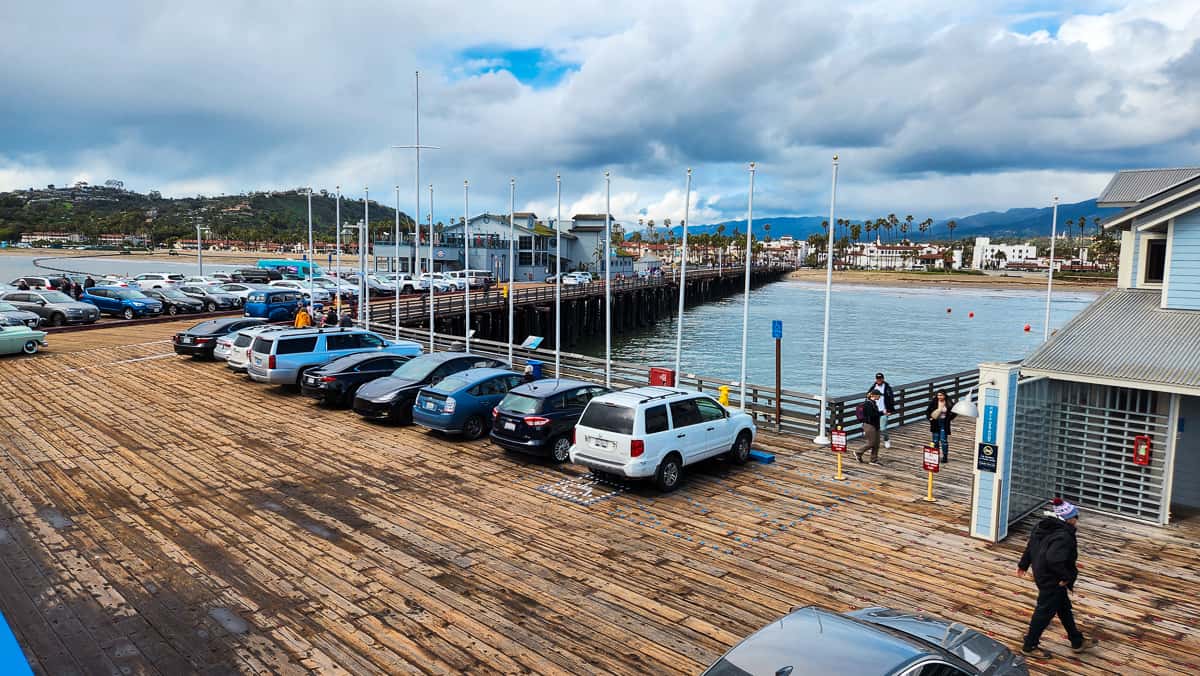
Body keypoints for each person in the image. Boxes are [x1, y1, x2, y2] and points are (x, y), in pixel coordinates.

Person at [1017, 498, 1099, 659]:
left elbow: (1031, 546)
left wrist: (1023, 564)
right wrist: (1066, 577)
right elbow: (1054, 559)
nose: (1077, 520)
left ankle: (1077, 641)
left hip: (1041, 573)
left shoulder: (1042, 526)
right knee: (1043, 613)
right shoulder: (1064, 536)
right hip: (1052, 580)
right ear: (1069, 518)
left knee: (1063, 608)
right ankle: (1029, 646)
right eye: (1076, 516)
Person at [925, 390, 956, 463]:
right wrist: (930, 418)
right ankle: (935, 457)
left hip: (944, 423)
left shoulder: (949, 402)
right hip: (935, 422)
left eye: (941, 395)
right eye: (938, 395)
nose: (939, 397)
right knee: (935, 441)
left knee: (943, 440)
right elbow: (927, 411)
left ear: (944, 395)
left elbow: (954, 412)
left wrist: (949, 418)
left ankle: (945, 457)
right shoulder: (934, 402)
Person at [868, 372, 896, 449]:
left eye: (880, 379)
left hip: (884, 411)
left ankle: (886, 440)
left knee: (883, 428)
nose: (879, 380)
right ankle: (874, 443)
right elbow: (868, 397)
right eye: (877, 379)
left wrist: (890, 410)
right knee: (874, 429)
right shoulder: (873, 387)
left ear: (883, 379)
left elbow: (891, 399)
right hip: (875, 412)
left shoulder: (887, 388)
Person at [855, 390, 883, 464]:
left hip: (876, 425)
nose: (880, 396)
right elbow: (872, 415)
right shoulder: (868, 404)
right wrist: (882, 413)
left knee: (877, 444)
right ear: (874, 395)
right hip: (869, 425)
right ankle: (858, 452)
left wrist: (881, 413)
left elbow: (875, 414)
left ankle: (873, 460)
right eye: (879, 395)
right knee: (871, 443)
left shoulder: (873, 403)